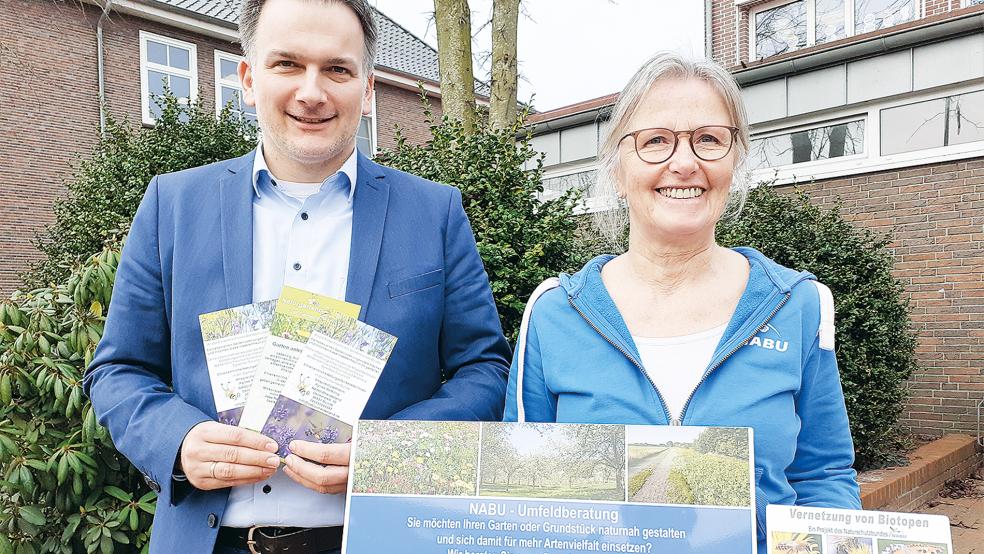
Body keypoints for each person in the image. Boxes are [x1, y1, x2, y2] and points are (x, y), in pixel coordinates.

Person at [83, 0, 510, 552]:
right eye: (287, 64)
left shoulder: (435, 213)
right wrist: (179, 440)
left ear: (368, 87)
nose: (312, 92)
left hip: (377, 537)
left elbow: (485, 370)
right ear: (248, 78)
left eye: (337, 69)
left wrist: (389, 455)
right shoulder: (173, 205)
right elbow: (119, 369)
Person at [503, 52, 860, 549]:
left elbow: (822, 476)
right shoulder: (553, 311)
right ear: (617, 166)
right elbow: (521, 491)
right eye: (656, 141)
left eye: (709, 139)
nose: (685, 163)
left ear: (735, 159)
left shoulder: (799, 305)